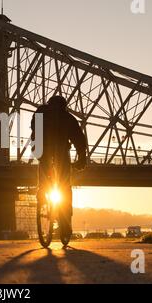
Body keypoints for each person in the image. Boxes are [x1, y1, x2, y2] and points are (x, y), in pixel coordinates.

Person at [31, 95, 87, 244]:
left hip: (43, 151)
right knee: (64, 186)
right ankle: (66, 225)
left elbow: (34, 129)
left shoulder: (40, 112)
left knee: (43, 173)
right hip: (61, 153)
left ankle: (41, 193)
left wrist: (37, 144)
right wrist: (82, 157)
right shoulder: (68, 117)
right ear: (64, 105)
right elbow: (79, 139)